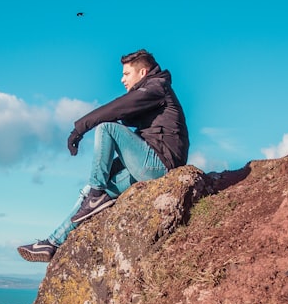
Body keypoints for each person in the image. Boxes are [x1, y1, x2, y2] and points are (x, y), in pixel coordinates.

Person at [18, 49, 189, 262]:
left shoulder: (157, 88)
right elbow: (124, 112)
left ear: (142, 72)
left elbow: (115, 109)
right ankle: (52, 243)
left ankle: (97, 192)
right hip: (146, 165)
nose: (122, 79)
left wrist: (80, 128)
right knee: (90, 190)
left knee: (107, 128)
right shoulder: (151, 93)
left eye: (126, 74)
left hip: (160, 164)